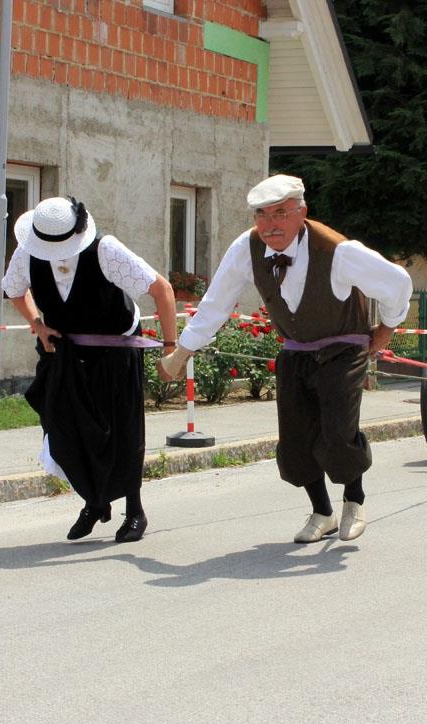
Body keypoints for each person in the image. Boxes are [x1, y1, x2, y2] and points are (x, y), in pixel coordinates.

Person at [158, 174, 412, 544]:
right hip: (296, 350)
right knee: (295, 441)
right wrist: (182, 352)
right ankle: (322, 512)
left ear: (301, 212)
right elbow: (216, 302)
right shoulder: (246, 248)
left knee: (338, 433)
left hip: (342, 348)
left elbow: (397, 282)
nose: (270, 225)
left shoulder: (338, 251)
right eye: (262, 215)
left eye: (280, 213)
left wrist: (386, 329)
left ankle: (354, 501)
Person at [2, 196, 178, 543]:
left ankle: (135, 511)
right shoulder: (28, 253)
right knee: (67, 430)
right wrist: (38, 324)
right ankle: (95, 502)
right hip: (65, 355)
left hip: (115, 351)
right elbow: (14, 290)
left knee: (122, 431)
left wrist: (171, 349)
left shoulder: (105, 250)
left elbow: (163, 290)